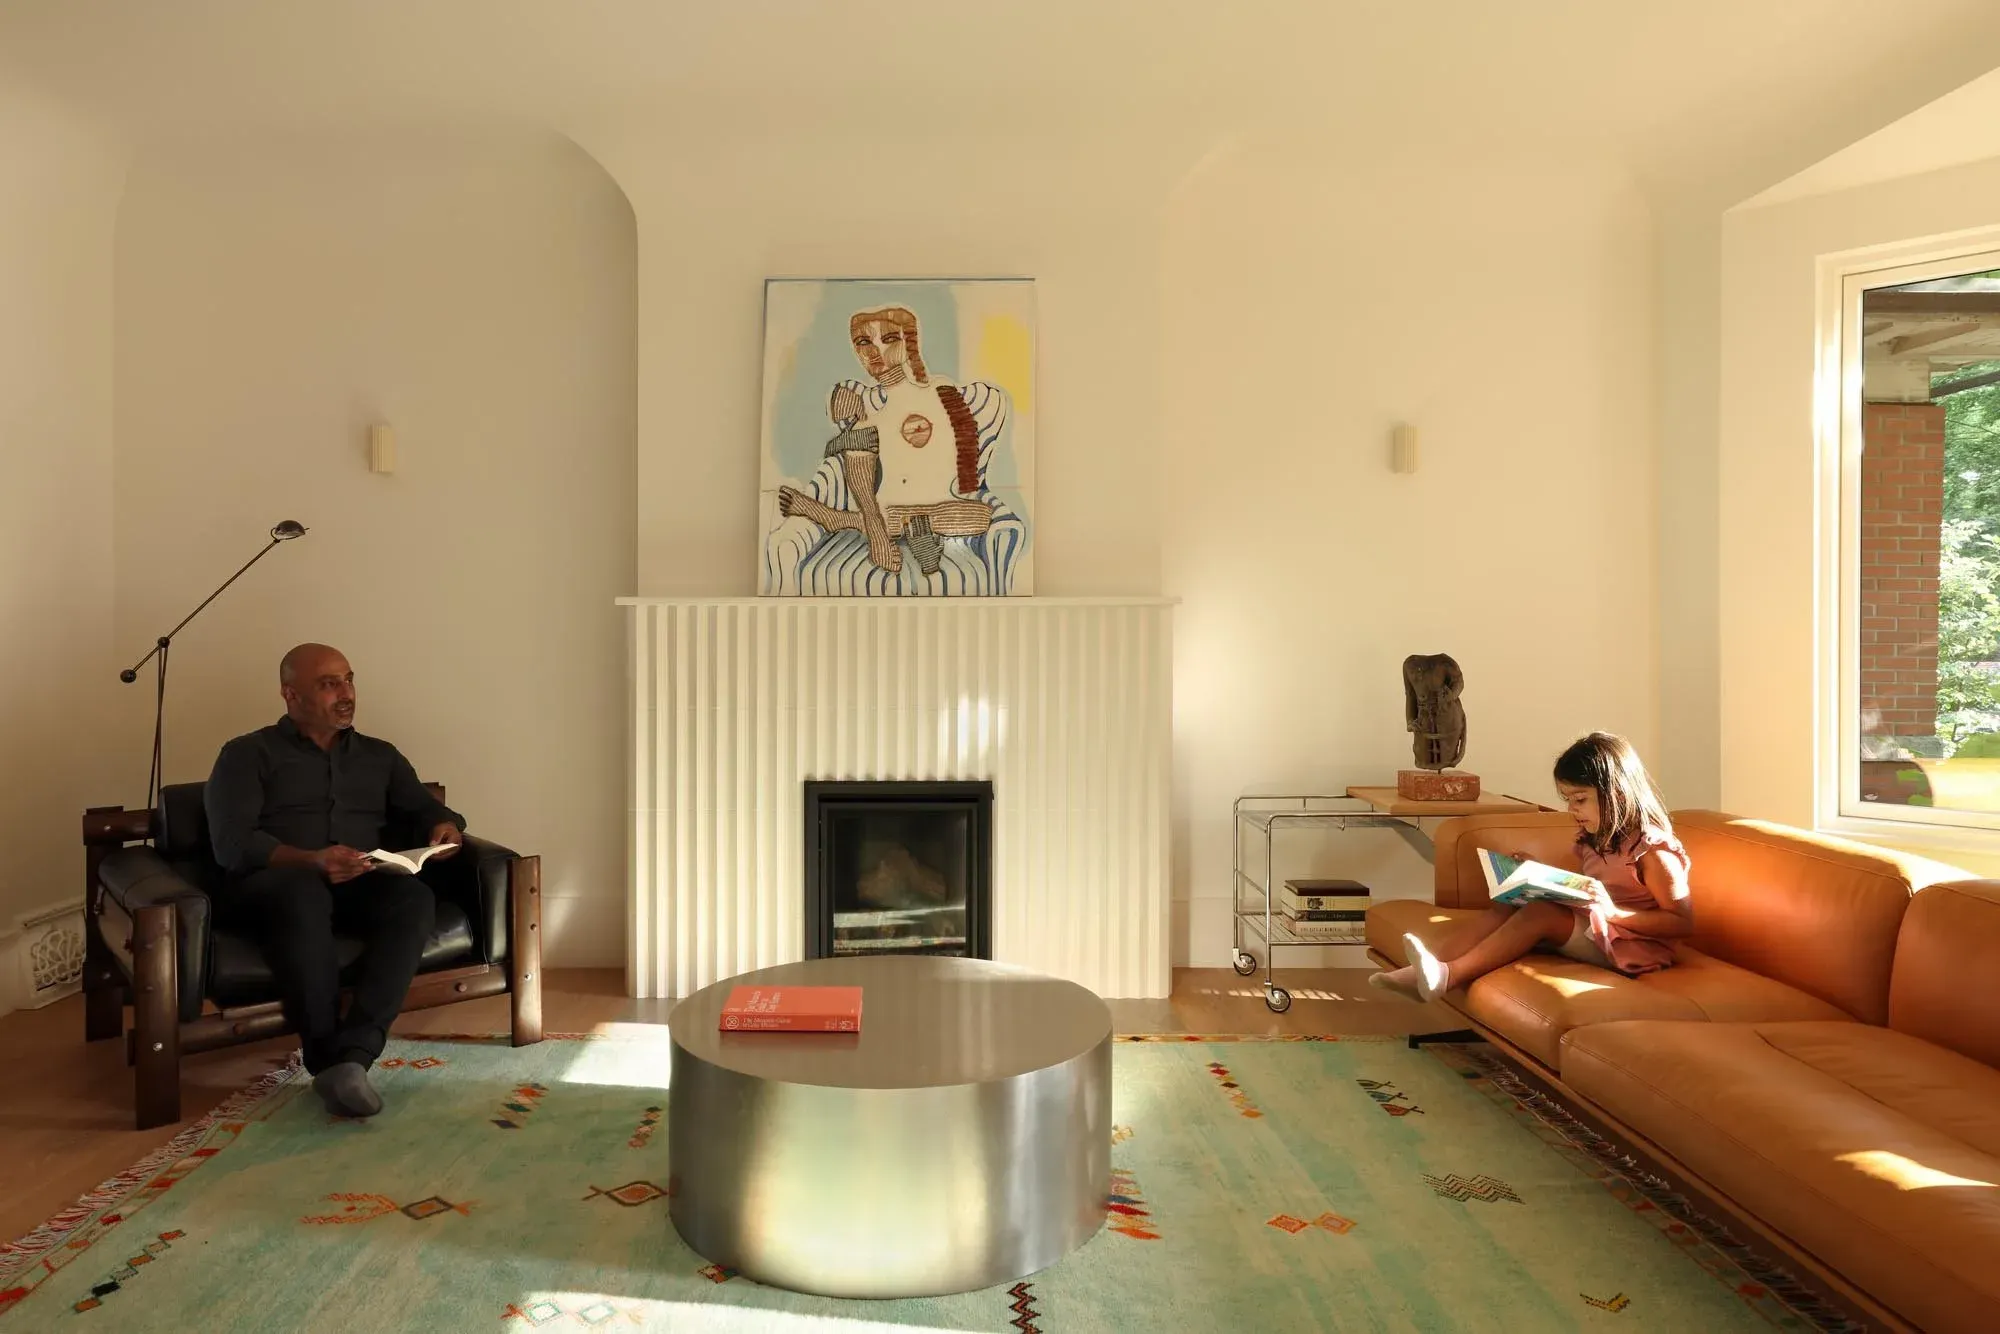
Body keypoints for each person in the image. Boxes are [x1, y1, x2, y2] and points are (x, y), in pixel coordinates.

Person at [203, 643, 466, 1118]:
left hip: (358, 878)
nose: (346, 694)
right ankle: (326, 1056)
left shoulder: (379, 756)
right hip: (272, 884)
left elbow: (424, 807)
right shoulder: (246, 754)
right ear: (290, 694)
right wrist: (311, 860)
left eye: (348, 680)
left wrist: (445, 826)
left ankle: (354, 1058)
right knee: (301, 892)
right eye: (329, 684)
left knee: (412, 898)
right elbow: (232, 844)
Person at [1370, 732, 1693, 1001]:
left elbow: (1680, 922)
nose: (1572, 810)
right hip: (1599, 927)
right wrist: (1541, 874)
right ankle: (1423, 970)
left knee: (1541, 914)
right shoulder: (1596, 838)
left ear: (1618, 795)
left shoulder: (1653, 850)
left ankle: (1449, 976)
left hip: (1632, 946)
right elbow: (1592, 888)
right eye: (1567, 799)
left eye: (1580, 799)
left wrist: (1614, 913)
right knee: (1509, 902)